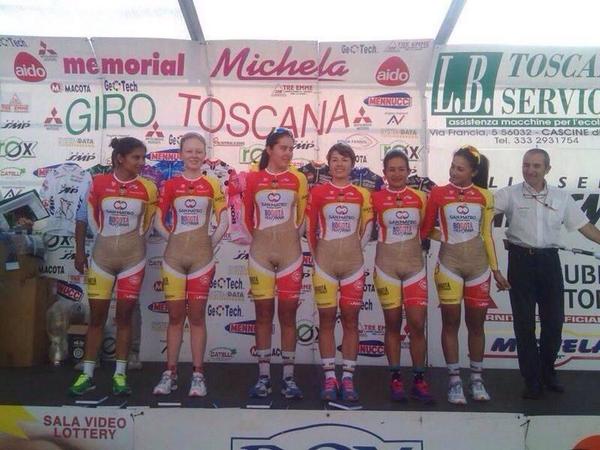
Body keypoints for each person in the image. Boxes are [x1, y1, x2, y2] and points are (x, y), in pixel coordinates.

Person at [494, 148, 600, 399]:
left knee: (554, 322)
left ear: (547, 169)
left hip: (549, 262)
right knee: (524, 325)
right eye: (526, 165)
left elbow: (586, 228)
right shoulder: (508, 194)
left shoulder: (561, 197)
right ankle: (531, 380)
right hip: (520, 262)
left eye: (536, 166)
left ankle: (547, 372)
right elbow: (481, 213)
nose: (530, 170)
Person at [68, 137, 157, 396]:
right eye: (136, 157)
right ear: (120, 158)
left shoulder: (149, 188)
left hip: (132, 260)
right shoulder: (97, 183)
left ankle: (120, 374)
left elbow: (149, 225)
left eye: (143, 157)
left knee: (124, 318)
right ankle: (87, 374)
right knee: (96, 318)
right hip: (101, 259)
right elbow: (83, 218)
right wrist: (79, 252)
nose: (141, 162)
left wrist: (135, 247)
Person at [421, 145, 509, 405]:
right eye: (452, 166)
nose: (453, 172)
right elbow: (425, 229)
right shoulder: (438, 193)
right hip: (449, 265)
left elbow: (487, 235)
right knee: (450, 323)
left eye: (460, 169)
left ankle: (477, 379)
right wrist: (446, 237)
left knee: (476, 325)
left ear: (473, 172)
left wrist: (496, 270)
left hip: (478, 268)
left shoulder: (485, 196)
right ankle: (454, 381)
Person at [152, 133, 228, 397]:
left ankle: (198, 374)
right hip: (174, 259)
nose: (194, 156)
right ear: (181, 154)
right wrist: (173, 240)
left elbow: (224, 221)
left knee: (196, 317)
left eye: (198, 151)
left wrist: (209, 244)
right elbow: (157, 220)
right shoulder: (171, 185)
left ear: (204, 155)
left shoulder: (212, 184)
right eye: (189, 151)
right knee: (175, 318)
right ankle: (170, 373)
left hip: (201, 260)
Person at [242, 127, 308, 399]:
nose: (288, 153)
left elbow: (302, 219)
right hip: (261, 255)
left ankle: (289, 378)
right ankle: (264, 377)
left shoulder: (299, 179)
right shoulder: (253, 179)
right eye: (283, 148)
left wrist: (288, 239)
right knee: (263, 316)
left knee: (288, 316)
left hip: (290, 255)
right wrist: (262, 240)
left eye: (291, 148)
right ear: (269, 149)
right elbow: (247, 218)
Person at [307, 143, 373, 402]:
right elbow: (310, 229)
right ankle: (329, 377)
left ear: (352, 164)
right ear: (328, 164)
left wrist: (355, 251)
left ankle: (347, 378)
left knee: (350, 321)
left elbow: (368, 228)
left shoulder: (362, 194)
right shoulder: (319, 192)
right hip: (325, 264)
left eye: (345, 160)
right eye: (334, 160)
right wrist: (317, 258)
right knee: (325, 320)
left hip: (353, 266)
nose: (339, 164)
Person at [371, 150, 433, 403]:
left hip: (414, 268)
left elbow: (427, 229)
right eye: (391, 169)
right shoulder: (375, 198)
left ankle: (419, 379)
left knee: (417, 324)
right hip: (386, 267)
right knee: (393, 324)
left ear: (409, 171)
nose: (396, 174)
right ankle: (395, 378)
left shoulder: (421, 197)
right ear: (384, 173)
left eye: (401, 169)